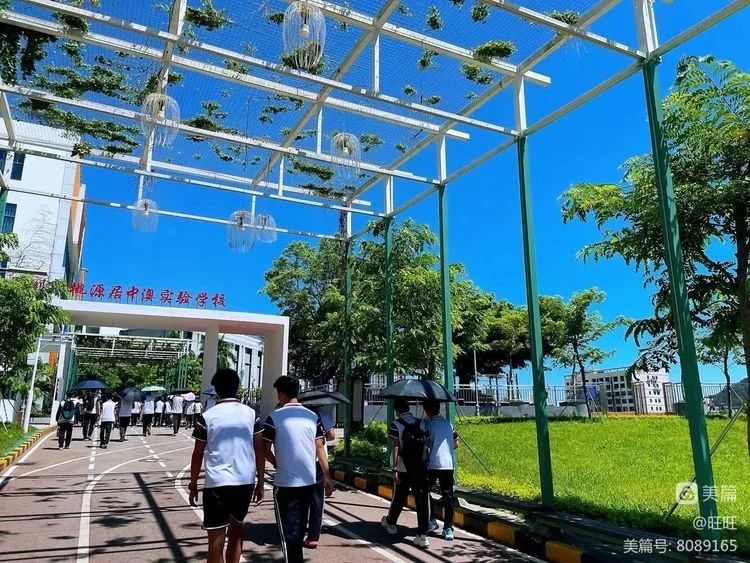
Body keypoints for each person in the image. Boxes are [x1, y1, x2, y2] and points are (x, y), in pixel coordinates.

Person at [189, 369, 264, 563]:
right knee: (236, 534)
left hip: (216, 483)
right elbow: (259, 450)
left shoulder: (207, 416)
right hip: (245, 482)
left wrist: (193, 483)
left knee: (215, 540)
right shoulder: (251, 414)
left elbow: (197, 454)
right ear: (237, 387)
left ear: (216, 389)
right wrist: (261, 483)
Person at [263, 376, 333, 563]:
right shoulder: (312, 417)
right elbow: (320, 448)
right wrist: (327, 476)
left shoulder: (274, 417)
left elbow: (264, 448)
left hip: (285, 484)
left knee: (288, 535)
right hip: (308, 482)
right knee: (300, 530)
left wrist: (276, 463)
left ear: (281, 394)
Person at [381, 397, 431, 548]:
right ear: (408, 408)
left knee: (399, 497)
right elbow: (427, 443)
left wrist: (395, 468)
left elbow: (396, 446)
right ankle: (422, 535)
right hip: (420, 468)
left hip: (403, 468)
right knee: (422, 500)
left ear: (397, 410)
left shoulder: (396, 424)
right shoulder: (421, 423)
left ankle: (391, 523)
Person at [423, 399, 458, 541]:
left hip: (432, 464)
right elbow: (455, 444)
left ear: (427, 410)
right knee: (448, 495)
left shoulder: (427, 424)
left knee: (425, 491)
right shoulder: (449, 424)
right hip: (448, 464)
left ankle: (431, 520)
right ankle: (448, 528)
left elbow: (425, 444)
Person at [304, 406, 336, 549]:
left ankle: (297, 530)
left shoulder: (301, 414)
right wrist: (322, 438)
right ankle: (313, 536)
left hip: (302, 461)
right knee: (317, 499)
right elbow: (332, 435)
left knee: (300, 496)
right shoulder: (323, 413)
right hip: (319, 461)